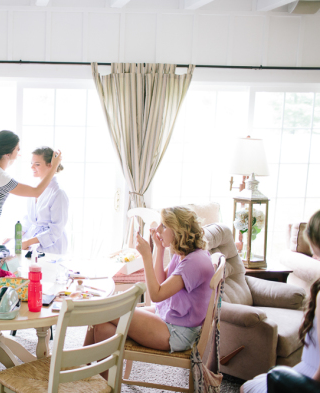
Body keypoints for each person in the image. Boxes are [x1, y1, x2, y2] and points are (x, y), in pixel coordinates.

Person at [83, 206, 214, 379]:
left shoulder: (194, 263)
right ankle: (95, 379)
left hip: (177, 332)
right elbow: (161, 282)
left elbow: (156, 294)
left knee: (106, 310)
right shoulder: (184, 254)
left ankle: (82, 369)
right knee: (102, 325)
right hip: (169, 317)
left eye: (164, 226)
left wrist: (146, 256)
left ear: (178, 231)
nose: (158, 230)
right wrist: (159, 250)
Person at [241, 210, 320, 393]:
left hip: (313, 379)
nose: (314, 257)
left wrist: (308, 387)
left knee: (249, 387)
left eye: (314, 250)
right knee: (252, 384)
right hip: (306, 371)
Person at [0, 130, 62, 247]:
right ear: (7, 154)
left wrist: (11, 157)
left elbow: (2, 164)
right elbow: (36, 192)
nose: (19, 151)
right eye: (17, 148)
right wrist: (54, 166)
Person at [20, 147, 69, 254]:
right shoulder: (34, 189)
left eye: (37, 164)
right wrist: (17, 237)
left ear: (50, 165)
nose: (32, 167)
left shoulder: (58, 193)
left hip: (51, 246)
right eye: (31, 163)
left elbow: (56, 230)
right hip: (31, 241)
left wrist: (28, 242)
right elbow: (29, 219)